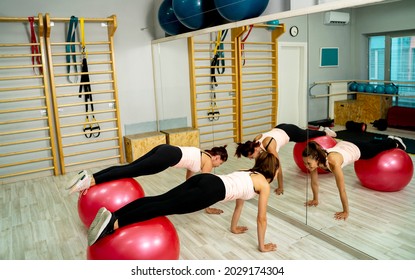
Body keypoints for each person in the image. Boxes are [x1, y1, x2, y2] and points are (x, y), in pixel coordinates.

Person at [87, 151, 280, 253]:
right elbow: (261, 219)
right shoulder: (264, 185)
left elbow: (239, 203)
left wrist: (234, 227)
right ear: (274, 170)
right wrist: (262, 246)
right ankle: (113, 224)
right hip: (211, 191)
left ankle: (115, 214)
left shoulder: (247, 173)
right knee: (162, 207)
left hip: (207, 180)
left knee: (159, 200)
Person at [67, 144, 229, 214]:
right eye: (219, 163)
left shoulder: (200, 154)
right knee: (130, 170)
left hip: (165, 149)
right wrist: (208, 208)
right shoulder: (207, 162)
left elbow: (191, 178)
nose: (216, 167)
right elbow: (205, 190)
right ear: (216, 157)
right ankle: (90, 181)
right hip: (168, 157)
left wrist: (186, 186)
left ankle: (90, 177)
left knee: (128, 168)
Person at [302, 136, 406, 221]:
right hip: (346, 143)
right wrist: (315, 199)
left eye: (308, 163)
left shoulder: (333, 163)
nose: (307, 166)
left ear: (316, 158)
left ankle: (394, 141)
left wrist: (346, 211)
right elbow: (314, 182)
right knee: (370, 143)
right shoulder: (316, 160)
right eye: (304, 163)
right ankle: (381, 140)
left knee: (376, 150)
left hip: (356, 149)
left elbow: (342, 189)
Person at [235, 123, 337, 195]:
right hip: (279, 127)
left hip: (290, 131)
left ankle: (324, 131)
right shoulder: (255, 142)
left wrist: (280, 187)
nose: (251, 159)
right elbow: (258, 163)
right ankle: (319, 130)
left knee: (306, 135)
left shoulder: (269, 145)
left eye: (251, 157)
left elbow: (278, 166)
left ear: (256, 149)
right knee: (306, 133)